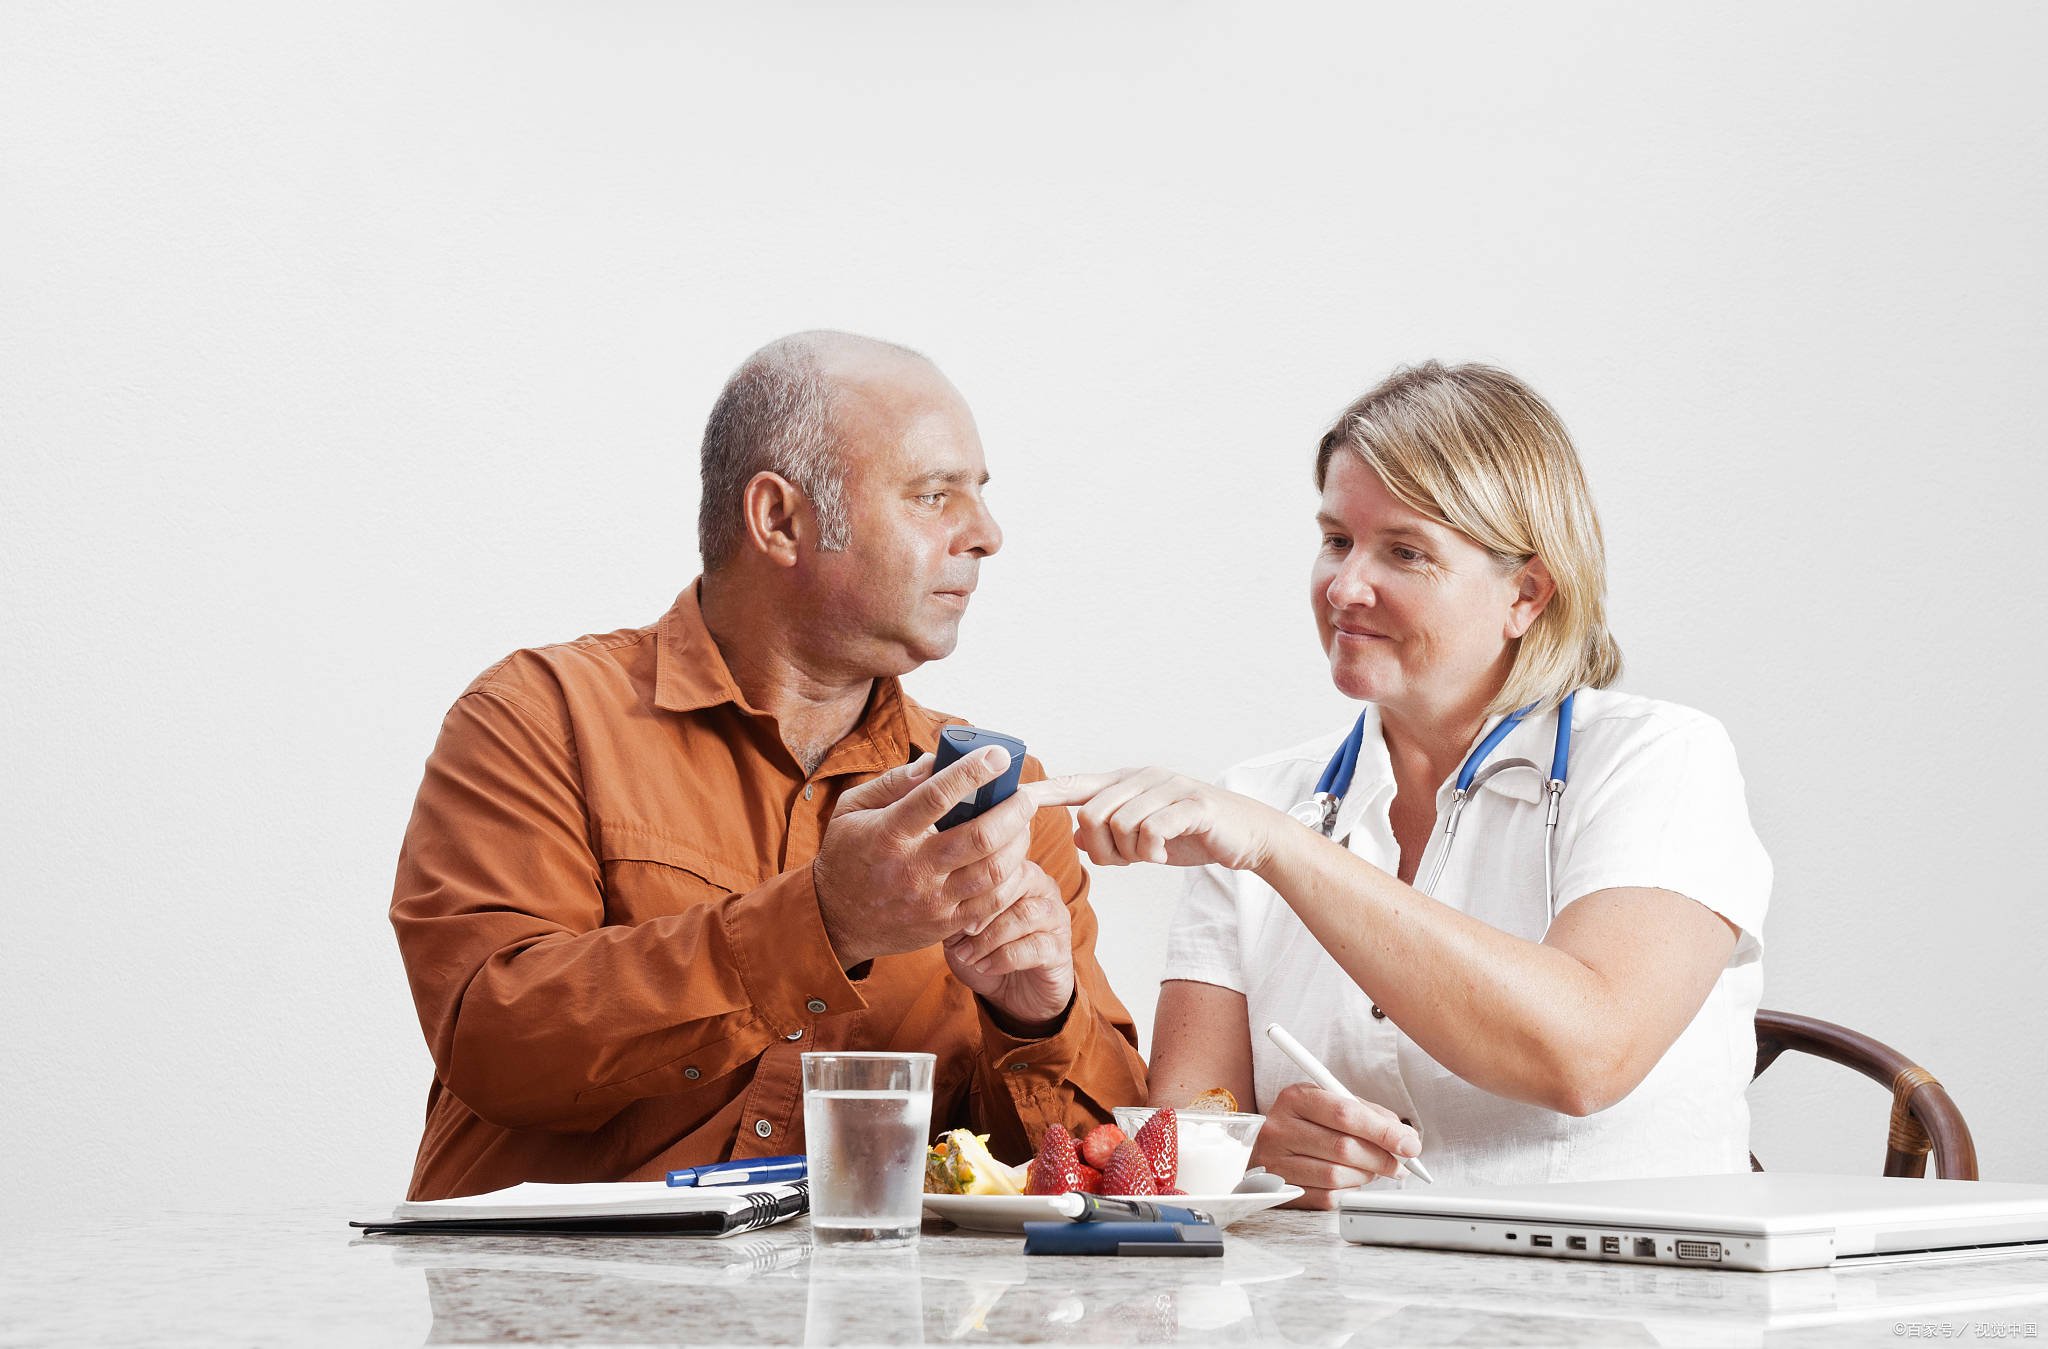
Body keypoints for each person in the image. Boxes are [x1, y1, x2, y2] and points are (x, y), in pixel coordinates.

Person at [389, 331, 1146, 1201]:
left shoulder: (1000, 802)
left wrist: (1037, 1016)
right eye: (935, 495)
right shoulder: (540, 717)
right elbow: (496, 1040)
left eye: (978, 495)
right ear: (780, 519)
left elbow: (1102, 1172)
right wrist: (825, 923)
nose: (986, 534)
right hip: (563, 1316)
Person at [1029, 361, 1770, 1206]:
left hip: (1621, 1307)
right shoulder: (1262, 795)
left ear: (1526, 592)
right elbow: (1188, 1120)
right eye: (1336, 539)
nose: (1345, 586)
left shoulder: (1661, 759)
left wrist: (1282, 849)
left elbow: (1587, 1055)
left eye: (1405, 551)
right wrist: (1265, 1146)